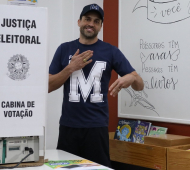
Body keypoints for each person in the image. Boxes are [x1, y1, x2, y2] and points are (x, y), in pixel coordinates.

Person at [48, 3, 144, 168]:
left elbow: (139, 85)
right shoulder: (64, 49)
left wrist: (131, 78)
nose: (91, 23)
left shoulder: (111, 51)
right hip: (68, 126)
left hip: (96, 127)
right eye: (87, 19)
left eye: (96, 21)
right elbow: (47, 86)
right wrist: (70, 68)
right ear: (79, 21)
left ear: (100, 26)